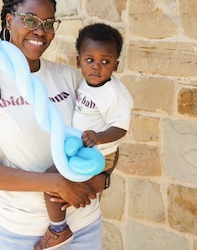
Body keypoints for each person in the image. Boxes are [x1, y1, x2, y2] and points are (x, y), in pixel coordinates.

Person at [0, 0, 110, 250]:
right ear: (9, 20)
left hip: (84, 226)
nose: (41, 31)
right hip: (21, 234)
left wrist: (101, 179)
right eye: (30, 20)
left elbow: (101, 142)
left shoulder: (69, 78)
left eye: (49, 24)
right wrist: (57, 184)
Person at [38, 23, 134, 250]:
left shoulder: (115, 94)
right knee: (62, 184)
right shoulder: (84, 82)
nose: (96, 67)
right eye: (90, 60)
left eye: (105, 61)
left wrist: (100, 137)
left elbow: (121, 128)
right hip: (84, 147)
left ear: (116, 65)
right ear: (78, 61)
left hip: (99, 154)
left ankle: (58, 230)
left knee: (51, 179)